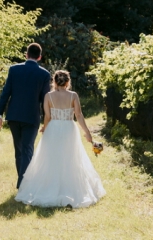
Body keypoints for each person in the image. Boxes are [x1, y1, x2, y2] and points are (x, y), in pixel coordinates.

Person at [15, 70, 106, 208]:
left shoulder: (48, 96)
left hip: (53, 129)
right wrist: (87, 132)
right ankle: (70, 188)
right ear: (68, 82)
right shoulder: (73, 95)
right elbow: (79, 115)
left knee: (51, 158)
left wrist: (45, 128)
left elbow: (47, 116)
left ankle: (49, 187)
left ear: (54, 81)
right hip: (69, 129)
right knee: (70, 158)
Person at [0, 43, 52, 188]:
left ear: (26, 54)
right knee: (27, 149)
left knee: (19, 150)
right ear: (39, 57)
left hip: (14, 115)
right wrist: (48, 120)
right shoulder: (45, 74)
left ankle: (22, 182)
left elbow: (6, 93)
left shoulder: (14, 70)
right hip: (32, 116)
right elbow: (45, 99)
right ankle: (24, 183)